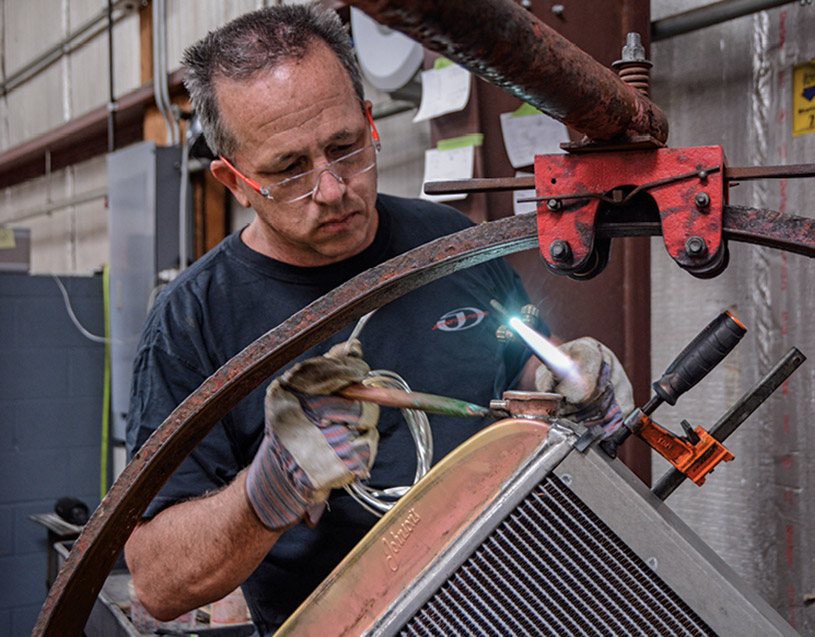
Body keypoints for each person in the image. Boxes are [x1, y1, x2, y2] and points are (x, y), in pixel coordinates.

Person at [124, 5, 630, 635]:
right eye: (289, 170)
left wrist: (569, 380)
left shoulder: (446, 242)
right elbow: (157, 582)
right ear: (234, 182)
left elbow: (522, 354)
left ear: (370, 122)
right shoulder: (194, 320)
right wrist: (268, 493)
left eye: (344, 147)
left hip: (510, 605)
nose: (333, 189)